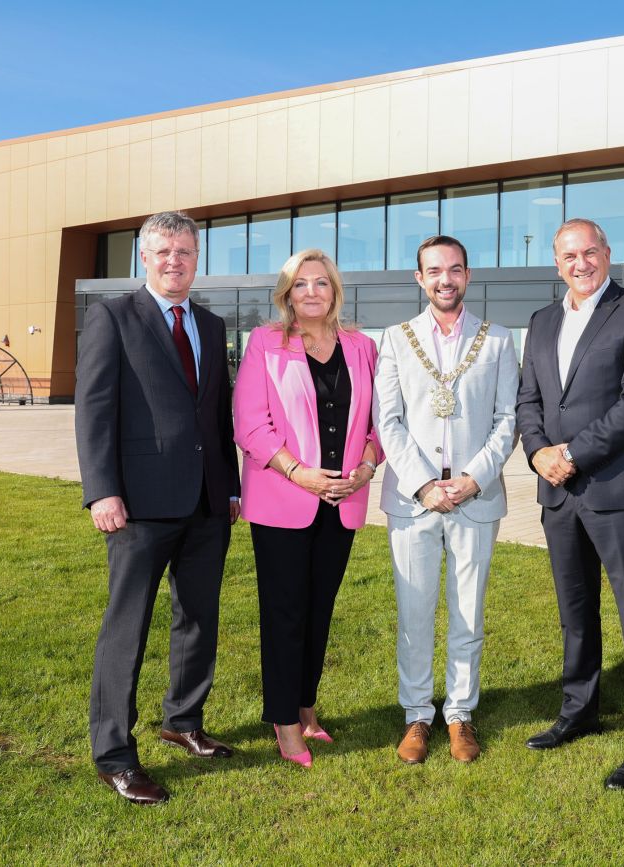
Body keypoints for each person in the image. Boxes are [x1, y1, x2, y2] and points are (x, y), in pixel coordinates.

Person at [75, 211, 241, 806]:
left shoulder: (212, 323)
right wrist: (102, 489)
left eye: (186, 252)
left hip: (205, 500)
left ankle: (183, 721)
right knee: (128, 627)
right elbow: (94, 409)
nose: (176, 261)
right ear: (144, 257)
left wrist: (230, 486)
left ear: (197, 259)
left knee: (198, 617)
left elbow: (215, 412)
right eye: (165, 251)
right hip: (139, 504)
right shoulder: (113, 316)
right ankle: (114, 754)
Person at [516, 218, 624, 790]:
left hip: (619, 490)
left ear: (607, 254)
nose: (580, 264)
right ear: (556, 263)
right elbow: (528, 399)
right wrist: (538, 454)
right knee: (575, 613)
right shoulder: (540, 322)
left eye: (589, 252)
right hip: (557, 493)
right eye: (568, 255)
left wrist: (573, 455)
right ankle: (579, 710)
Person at [233, 249, 381, 769]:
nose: (312, 292)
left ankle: (306, 705)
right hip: (284, 500)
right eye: (301, 285)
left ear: (335, 290)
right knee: (285, 613)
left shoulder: (362, 347)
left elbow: (379, 420)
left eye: (322, 283)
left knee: (319, 612)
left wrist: (365, 468)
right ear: (287, 295)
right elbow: (250, 424)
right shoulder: (265, 344)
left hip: (342, 502)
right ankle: (284, 720)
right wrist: (300, 473)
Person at [374, 236, 519, 765]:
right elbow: (386, 421)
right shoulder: (395, 338)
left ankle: (460, 714)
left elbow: (508, 419)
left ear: (468, 275)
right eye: (434, 270)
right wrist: (423, 484)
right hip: (413, 502)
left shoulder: (499, 340)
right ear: (419, 278)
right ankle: (417, 715)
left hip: (476, 500)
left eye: (455, 269)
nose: (445, 279)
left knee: (468, 614)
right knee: (415, 614)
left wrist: (474, 478)